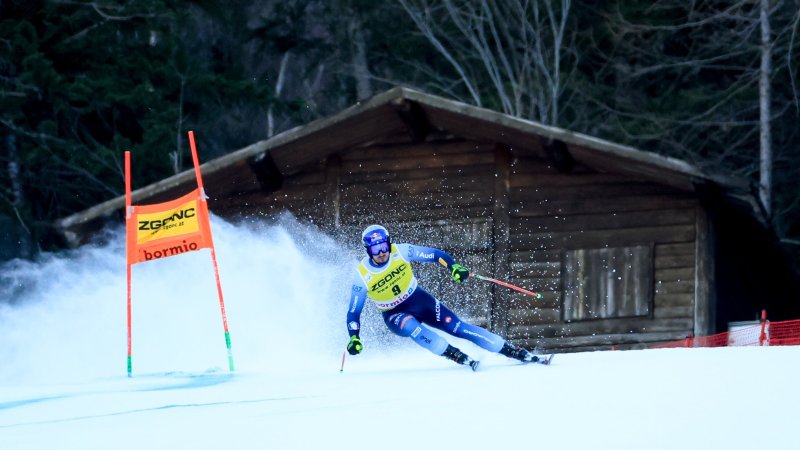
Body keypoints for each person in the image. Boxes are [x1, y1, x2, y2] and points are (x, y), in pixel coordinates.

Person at [345, 224, 545, 370]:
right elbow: (354, 312)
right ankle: (454, 354)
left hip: (419, 300)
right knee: (410, 326)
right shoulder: (362, 275)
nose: (381, 253)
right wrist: (354, 337)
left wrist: (453, 267)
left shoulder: (401, 251)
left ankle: (513, 351)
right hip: (393, 313)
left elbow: (434, 255)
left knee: (456, 327)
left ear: (389, 244)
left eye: (383, 247)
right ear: (367, 250)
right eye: (374, 249)